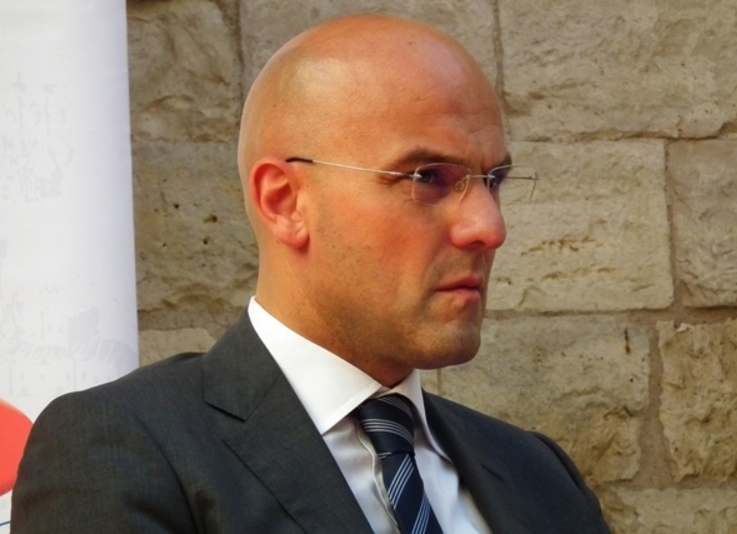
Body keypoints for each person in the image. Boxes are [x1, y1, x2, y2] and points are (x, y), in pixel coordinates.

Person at [12, 14, 611, 534]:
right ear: (285, 203)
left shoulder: (538, 474)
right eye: (427, 178)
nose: (489, 228)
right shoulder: (125, 450)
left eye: (494, 181)